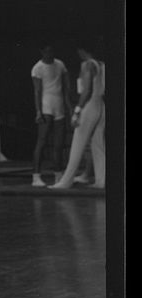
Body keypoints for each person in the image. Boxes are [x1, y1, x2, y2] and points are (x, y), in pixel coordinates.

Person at [51, 40, 105, 190]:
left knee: (77, 145)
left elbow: (86, 91)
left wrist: (77, 111)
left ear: (82, 50)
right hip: (100, 105)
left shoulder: (87, 65)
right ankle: (102, 180)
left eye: (78, 52)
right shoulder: (101, 64)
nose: (77, 54)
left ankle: (65, 181)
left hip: (89, 106)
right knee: (98, 145)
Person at [30, 44, 71, 186]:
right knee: (42, 141)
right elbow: (37, 91)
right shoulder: (37, 68)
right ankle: (36, 176)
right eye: (46, 51)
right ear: (41, 51)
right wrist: (38, 111)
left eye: (51, 51)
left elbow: (65, 88)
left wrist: (69, 108)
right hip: (46, 106)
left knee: (59, 144)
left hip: (59, 106)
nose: (49, 53)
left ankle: (58, 175)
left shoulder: (60, 64)